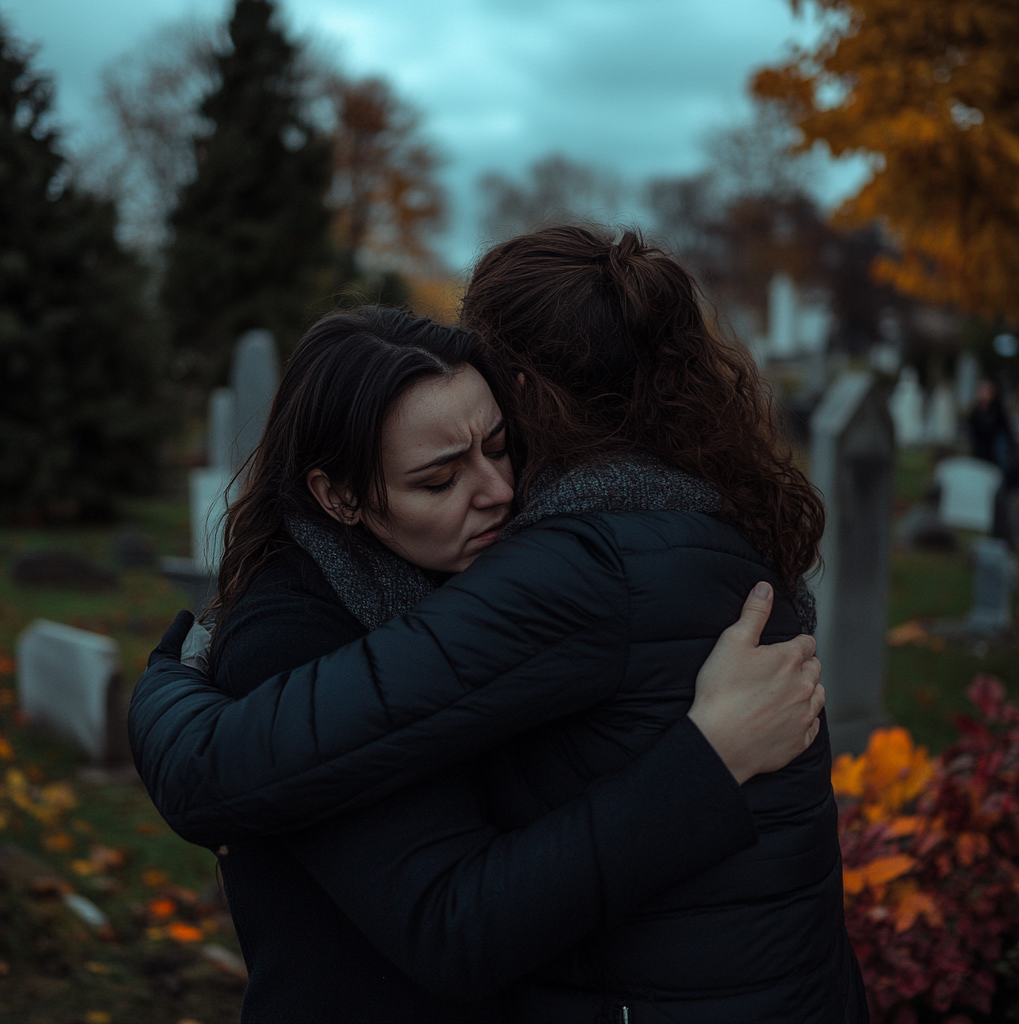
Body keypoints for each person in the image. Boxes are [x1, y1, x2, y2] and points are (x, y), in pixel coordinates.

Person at [132, 227, 863, 1021]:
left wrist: (164, 695)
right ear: (338, 496)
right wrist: (706, 761)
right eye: (438, 477)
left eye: (500, 446)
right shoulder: (295, 632)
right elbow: (450, 921)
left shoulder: (572, 559)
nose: (495, 492)